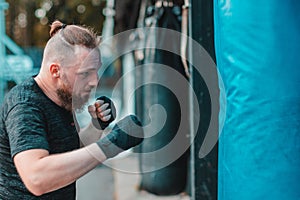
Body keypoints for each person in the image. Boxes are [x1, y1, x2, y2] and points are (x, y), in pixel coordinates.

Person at [0, 20, 144, 199]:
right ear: (55, 71)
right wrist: (111, 145)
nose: (94, 81)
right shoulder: (25, 107)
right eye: (85, 73)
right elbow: (36, 178)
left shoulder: (62, 98)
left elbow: (71, 150)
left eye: (96, 71)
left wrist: (96, 125)